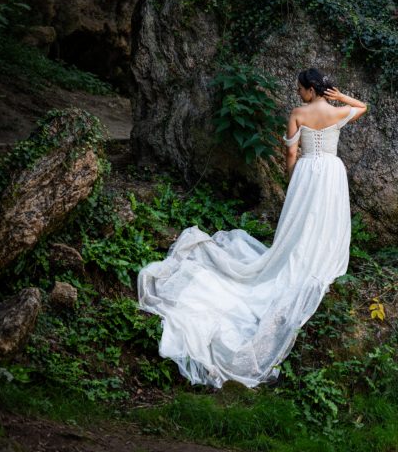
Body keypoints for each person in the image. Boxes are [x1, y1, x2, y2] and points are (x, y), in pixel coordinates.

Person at [137, 68, 367, 388]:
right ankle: (321, 262)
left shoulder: (298, 113)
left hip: (308, 172)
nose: (298, 93)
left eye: (300, 89)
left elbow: (290, 151)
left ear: (310, 90)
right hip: (331, 171)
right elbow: (362, 107)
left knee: (301, 222)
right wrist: (340, 97)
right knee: (326, 220)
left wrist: (293, 177)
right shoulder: (338, 111)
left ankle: (296, 258)